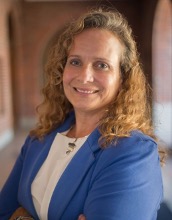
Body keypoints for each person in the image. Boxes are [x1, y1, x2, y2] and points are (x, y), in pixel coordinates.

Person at [0, 7, 165, 220]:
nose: (85, 76)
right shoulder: (38, 139)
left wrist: (21, 215)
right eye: (75, 62)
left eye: (101, 65)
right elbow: (4, 212)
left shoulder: (134, 152)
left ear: (122, 79)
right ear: (63, 69)